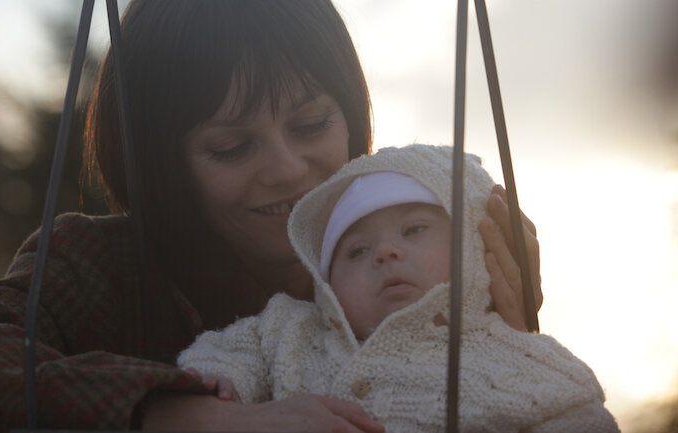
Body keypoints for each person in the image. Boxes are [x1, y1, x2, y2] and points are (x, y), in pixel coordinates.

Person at [0, 0, 541, 432]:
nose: (286, 167)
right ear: (160, 160)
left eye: (311, 123)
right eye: (232, 145)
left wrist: (506, 343)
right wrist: (185, 415)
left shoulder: (415, 253)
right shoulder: (99, 268)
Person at [178, 144, 619, 432]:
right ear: (325, 282)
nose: (384, 253)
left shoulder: (516, 356)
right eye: (355, 252)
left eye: (414, 229)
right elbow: (225, 353)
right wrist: (218, 382)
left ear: (471, 243)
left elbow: (579, 416)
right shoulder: (287, 329)